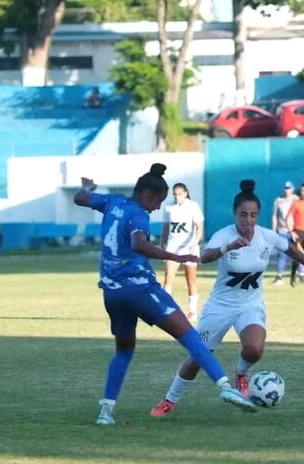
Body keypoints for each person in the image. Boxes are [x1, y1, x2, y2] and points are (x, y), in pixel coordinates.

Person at [73, 164, 256, 426]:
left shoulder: (112, 202)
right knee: (190, 336)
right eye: (158, 201)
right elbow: (139, 244)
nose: (157, 207)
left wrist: (87, 187)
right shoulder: (138, 214)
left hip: (112, 293)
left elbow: (80, 198)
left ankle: (106, 411)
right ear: (149, 195)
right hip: (140, 289)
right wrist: (176, 256)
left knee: (124, 351)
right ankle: (225, 386)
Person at [149, 180, 304, 417]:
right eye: (243, 215)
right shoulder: (224, 235)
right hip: (220, 306)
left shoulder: (266, 236)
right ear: (235, 214)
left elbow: (289, 249)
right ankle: (169, 400)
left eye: (253, 215)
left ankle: (241, 373)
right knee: (199, 357)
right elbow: (204, 256)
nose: (248, 220)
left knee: (254, 349)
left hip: (250, 305)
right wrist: (227, 248)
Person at [161, 183, 204, 322]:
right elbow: (166, 227)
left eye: (179, 194)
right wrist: (162, 242)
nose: (177, 196)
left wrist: (195, 243)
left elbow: (199, 226)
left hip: (189, 247)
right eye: (175, 194)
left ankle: (192, 311)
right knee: (168, 278)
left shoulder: (193, 206)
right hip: (173, 248)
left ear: (185, 193)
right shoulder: (168, 207)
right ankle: (166, 309)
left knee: (190, 278)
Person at [271, 181, 297, 285]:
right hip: (282, 230)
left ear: (292, 189)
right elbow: (274, 216)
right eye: (286, 188)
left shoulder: (296, 200)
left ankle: (298, 274)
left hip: (294, 231)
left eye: (289, 188)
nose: (287, 190)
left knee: (297, 253)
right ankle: (279, 276)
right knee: (282, 254)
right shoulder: (278, 201)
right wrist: (274, 231)